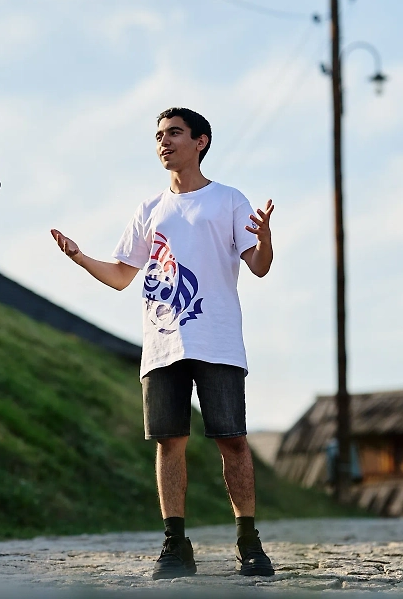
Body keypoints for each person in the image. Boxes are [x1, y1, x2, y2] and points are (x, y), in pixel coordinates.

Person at [50, 107, 277, 580]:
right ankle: (175, 544)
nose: (164, 142)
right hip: (161, 346)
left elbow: (258, 265)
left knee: (232, 441)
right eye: (158, 135)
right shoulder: (148, 209)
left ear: (201, 141)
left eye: (174, 133)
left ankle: (248, 541)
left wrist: (267, 237)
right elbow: (120, 276)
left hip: (217, 340)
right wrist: (79, 257)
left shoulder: (229, 200)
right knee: (168, 442)